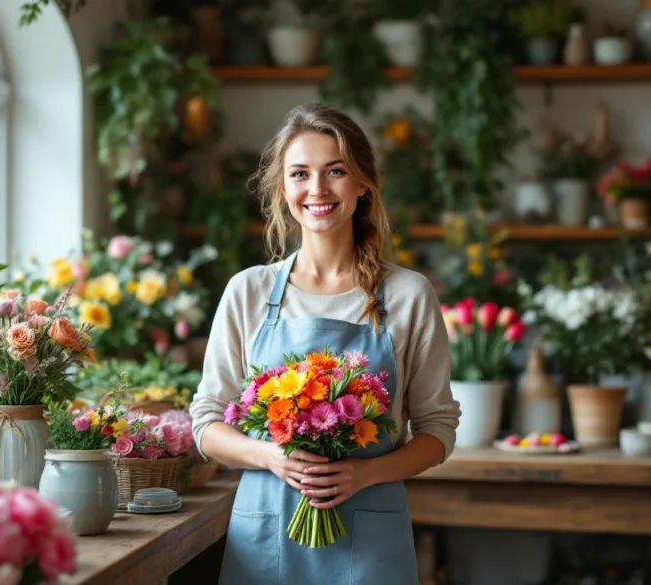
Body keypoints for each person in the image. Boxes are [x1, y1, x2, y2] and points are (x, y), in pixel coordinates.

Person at [189, 102, 460, 585]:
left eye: (335, 171)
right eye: (300, 174)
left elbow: (437, 430)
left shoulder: (408, 295)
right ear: (283, 189)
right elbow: (206, 422)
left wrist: (365, 474)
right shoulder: (248, 291)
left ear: (362, 185)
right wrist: (272, 456)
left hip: (371, 533)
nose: (317, 189)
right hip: (267, 534)